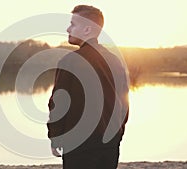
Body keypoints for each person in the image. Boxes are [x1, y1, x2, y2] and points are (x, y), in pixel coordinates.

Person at [47, 5, 129, 169]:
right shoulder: (115, 60)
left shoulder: (70, 61)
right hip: (110, 145)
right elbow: (124, 104)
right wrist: (117, 134)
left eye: (73, 24)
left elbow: (58, 104)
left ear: (86, 30)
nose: (68, 28)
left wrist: (55, 137)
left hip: (79, 146)